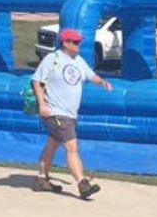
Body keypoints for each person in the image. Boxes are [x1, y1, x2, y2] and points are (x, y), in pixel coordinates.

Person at [32, 27, 113, 199]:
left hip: (70, 113)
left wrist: (102, 82)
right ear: (65, 43)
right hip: (55, 112)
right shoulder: (52, 59)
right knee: (72, 147)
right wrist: (42, 105)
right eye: (75, 42)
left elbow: (91, 76)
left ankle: (41, 179)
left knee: (52, 145)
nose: (79, 44)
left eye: (79, 41)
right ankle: (82, 184)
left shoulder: (78, 60)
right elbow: (36, 81)